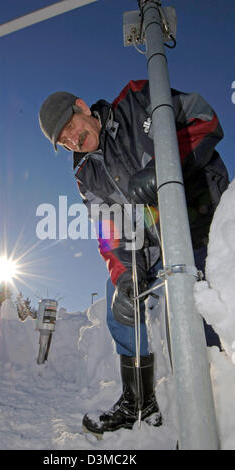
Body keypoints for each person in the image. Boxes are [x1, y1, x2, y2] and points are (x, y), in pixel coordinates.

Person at [38, 80, 229, 436]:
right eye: (62, 140)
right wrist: (126, 276)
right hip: (154, 243)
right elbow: (109, 230)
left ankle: (216, 420)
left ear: (83, 107)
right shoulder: (85, 175)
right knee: (120, 311)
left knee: (197, 314)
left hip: (202, 219)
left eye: (69, 127)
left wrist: (166, 171)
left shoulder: (138, 100)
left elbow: (204, 120)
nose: (70, 140)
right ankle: (140, 403)